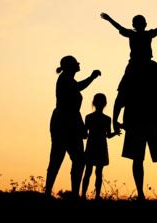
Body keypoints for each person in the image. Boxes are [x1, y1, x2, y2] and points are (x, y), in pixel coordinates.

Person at [113, 60, 157, 202]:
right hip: (152, 119)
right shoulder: (154, 67)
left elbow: (120, 97)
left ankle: (142, 194)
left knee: (139, 158)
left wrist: (114, 120)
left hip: (136, 120)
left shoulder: (132, 68)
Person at [45, 55, 101, 198]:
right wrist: (92, 77)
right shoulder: (65, 80)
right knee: (59, 158)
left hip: (69, 122)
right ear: (70, 66)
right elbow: (77, 91)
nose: (78, 64)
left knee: (77, 159)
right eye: (76, 63)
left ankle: (73, 194)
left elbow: (75, 109)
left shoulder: (68, 80)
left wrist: (80, 126)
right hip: (64, 123)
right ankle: (50, 192)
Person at [100, 13, 157, 92]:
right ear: (145, 24)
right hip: (137, 62)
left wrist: (109, 19)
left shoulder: (141, 34)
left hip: (141, 62)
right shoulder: (142, 34)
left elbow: (119, 27)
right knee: (128, 79)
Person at [81, 93, 121, 200]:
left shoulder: (89, 117)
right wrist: (115, 133)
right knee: (98, 172)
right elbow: (108, 135)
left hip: (91, 146)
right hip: (101, 147)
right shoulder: (107, 119)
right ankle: (97, 196)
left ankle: (83, 195)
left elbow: (84, 134)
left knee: (88, 172)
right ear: (105, 104)